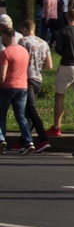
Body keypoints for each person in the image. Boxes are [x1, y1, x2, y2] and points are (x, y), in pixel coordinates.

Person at [49, 9, 74, 136]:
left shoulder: (64, 31)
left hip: (67, 65)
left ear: (67, 17)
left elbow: (59, 49)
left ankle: (57, 127)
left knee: (60, 96)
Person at [18, 19, 52, 153]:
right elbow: (49, 65)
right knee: (28, 111)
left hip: (27, 78)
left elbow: (20, 59)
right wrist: (38, 67)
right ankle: (23, 141)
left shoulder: (23, 41)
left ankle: (43, 139)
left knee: (31, 109)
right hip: (38, 79)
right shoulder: (44, 43)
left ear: (25, 28)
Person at [0, 26, 33, 155]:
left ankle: (1, 139)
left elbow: (2, 75)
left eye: (2, 37)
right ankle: (29, 141)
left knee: (1, 115)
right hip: (22, 87)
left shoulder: (5, 53)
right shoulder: (24, 51)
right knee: (21, 116)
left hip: (7, 87)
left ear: (6, 37)